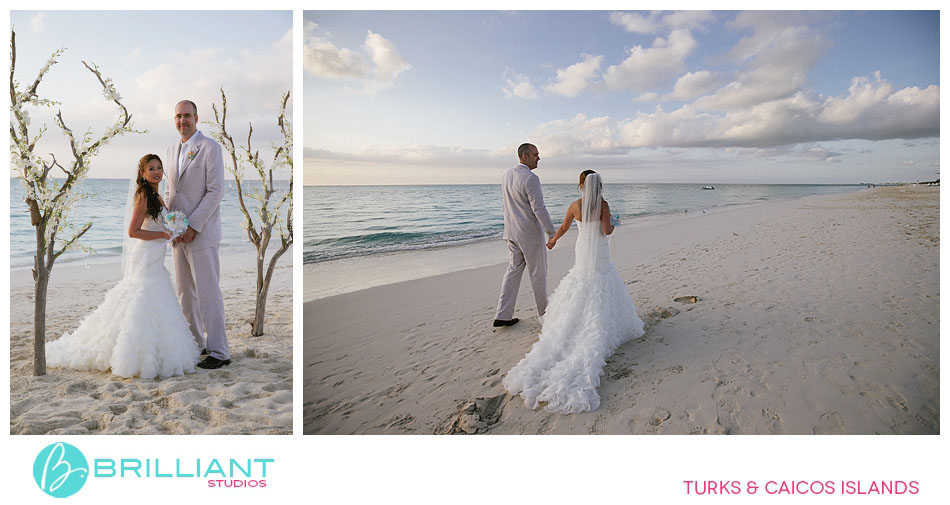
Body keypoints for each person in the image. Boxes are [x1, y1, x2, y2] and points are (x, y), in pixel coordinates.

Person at [46, 155, 200, 379]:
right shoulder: (143, 196)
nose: (156, 172)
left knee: (157, 300)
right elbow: (133, 231)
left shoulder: (157, 195)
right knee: (141, 298)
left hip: (156, 255)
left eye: (159, 168)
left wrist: (172, 234)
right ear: (143, 174)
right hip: (145, 256)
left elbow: (158, 226)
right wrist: (162, 234)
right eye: (151, 169)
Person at [503, 170, 644, 414]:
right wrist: (615, 223)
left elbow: (564, 228)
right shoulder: (603, 205)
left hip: (582, 251)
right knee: (601, 281)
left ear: (581, 185)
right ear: (598, 186)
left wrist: (552, 240)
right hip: (599, 252)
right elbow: (607, 230)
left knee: (581, 281)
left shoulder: (575, 206)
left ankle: (571, 323)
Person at [166, 100, 230, 369]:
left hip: (201, 233)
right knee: (184, 292)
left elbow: (215, 191)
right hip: (177, 235)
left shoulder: (210, 148)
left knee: (208, 291)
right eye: (179, 116)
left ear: (196, 117)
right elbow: (171, 192)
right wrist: (171, 226)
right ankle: (196, 345)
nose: (183, 121)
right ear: (175, 119)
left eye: (188, 116)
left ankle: (219, 351)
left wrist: (193, 226)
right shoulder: (170, 150)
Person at [493, 143, 556, 327]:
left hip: (511, 232)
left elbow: (507, 205)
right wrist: (551, 232)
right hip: (528, 234)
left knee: (512, 272)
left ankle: (502, 314)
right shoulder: (531, 178)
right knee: (538, 274)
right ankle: (544, 314)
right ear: (525, 156)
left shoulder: (506, 175)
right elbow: (539, 208)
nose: (539, 158)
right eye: (536, 154)